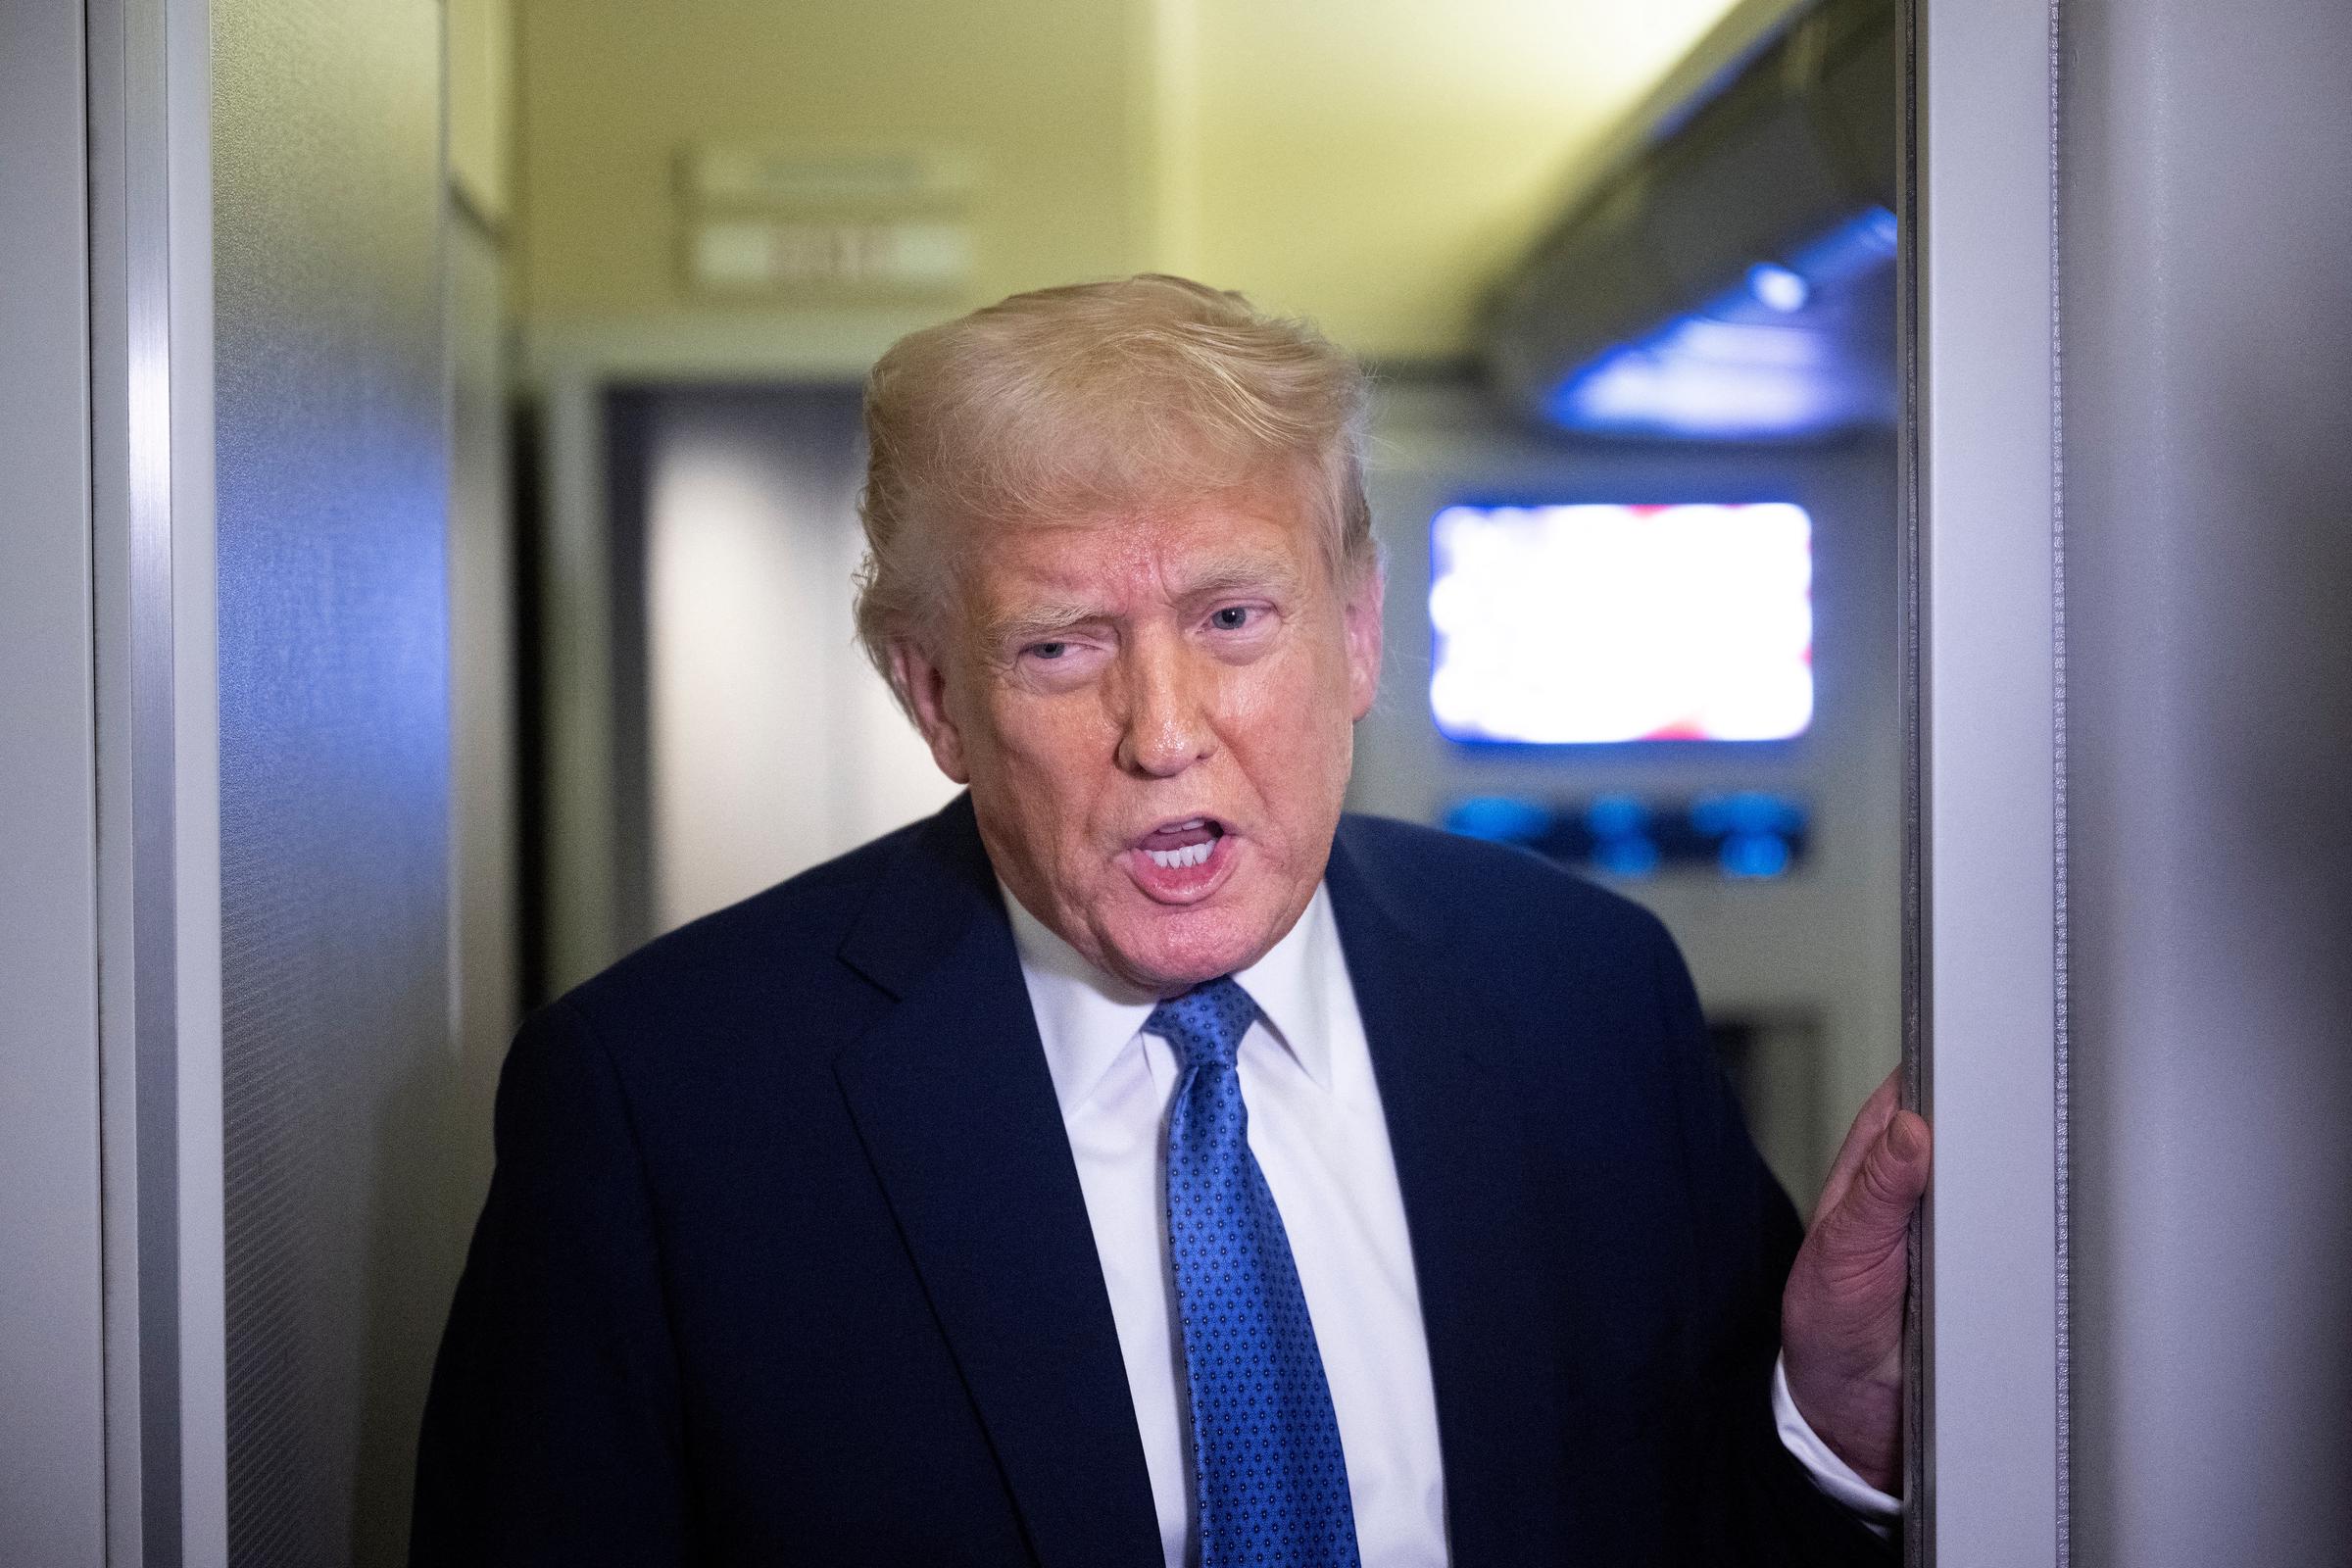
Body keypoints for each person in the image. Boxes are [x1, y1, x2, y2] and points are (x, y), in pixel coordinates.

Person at [410, 275, 1931, 1567]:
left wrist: (1841, 1418)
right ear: (932, 696)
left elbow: (1732, 1519)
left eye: (1231, 620)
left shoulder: (1587, 998)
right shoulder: (662, 1105)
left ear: (1355, 632)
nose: (1165, 733)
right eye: (1062, 648)